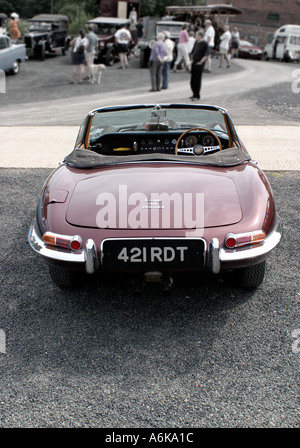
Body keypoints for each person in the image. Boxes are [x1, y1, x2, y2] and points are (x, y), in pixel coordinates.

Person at [189, 30, 208, 101]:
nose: (195, 37)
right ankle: (194, 93)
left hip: (199, 65)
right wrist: (191, 60)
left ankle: (197, 95)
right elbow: (193, 52)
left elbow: (206, 54)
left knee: (197, 80)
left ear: (200, 36)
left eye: (196, 35)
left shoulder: (205, 44)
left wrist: (201, 62)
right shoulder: (196, 42)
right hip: (194, 63)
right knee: (192, 80)